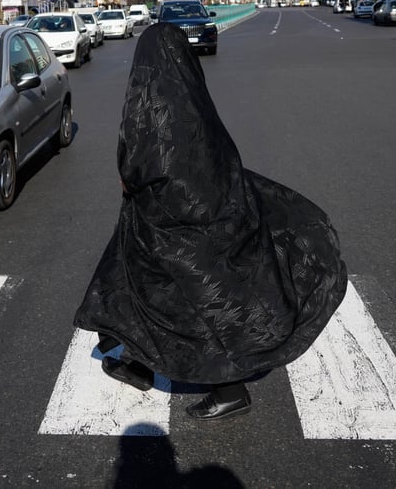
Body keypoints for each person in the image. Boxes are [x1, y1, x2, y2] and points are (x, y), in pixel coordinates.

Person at [74, 22, 347, 421]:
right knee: (137, 285)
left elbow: (153, 158)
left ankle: (228, 389)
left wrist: (132, 181)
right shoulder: (190, 92)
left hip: (168, 217)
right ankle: (136, 362)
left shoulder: (153, 98)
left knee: (191, 301)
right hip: (199, 207)